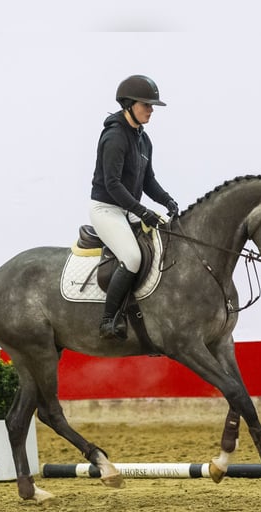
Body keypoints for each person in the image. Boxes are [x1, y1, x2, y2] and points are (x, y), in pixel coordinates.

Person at [90, 74, 179, 340]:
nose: (151, 110)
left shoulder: (143, 139)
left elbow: (148, 180)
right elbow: (113, 184)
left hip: (128, 209)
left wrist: (167, 201)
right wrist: (143, 212)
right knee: (132, 258)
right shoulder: (115, 137)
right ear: (129, 104)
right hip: (106, 209)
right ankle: (108, 320)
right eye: (147, 105)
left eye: (152, 106)